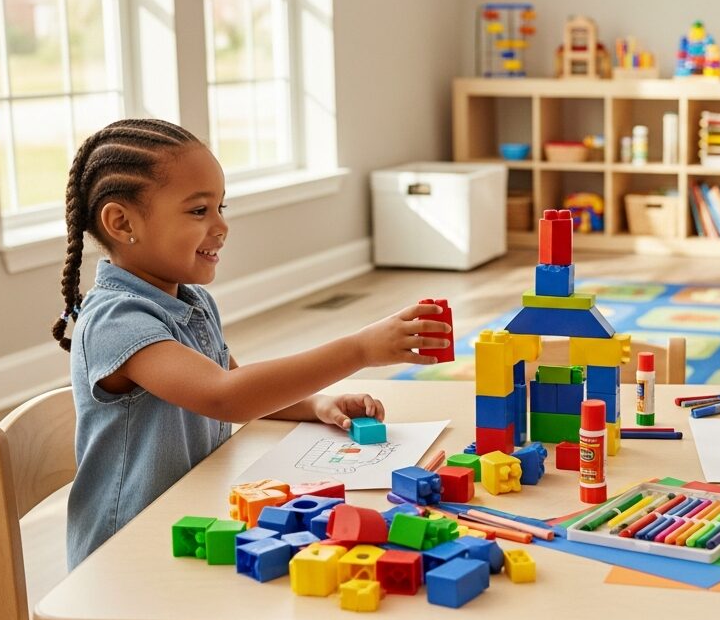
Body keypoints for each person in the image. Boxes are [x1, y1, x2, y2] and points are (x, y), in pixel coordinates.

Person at [52, 118, 450, 568]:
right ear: (122, 222)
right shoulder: (115, 319)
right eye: (199, 211)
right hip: (126, 551)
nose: (221, 226)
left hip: (195, 517)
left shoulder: (192, 301)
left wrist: (316, 404)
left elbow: (235, 381)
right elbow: (225, 397)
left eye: (222, 207)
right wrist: (358, 350)